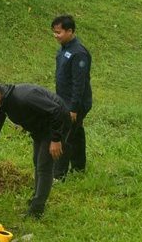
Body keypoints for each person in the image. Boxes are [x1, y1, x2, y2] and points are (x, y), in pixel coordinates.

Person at [0, 79, 71, 219]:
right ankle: (36, 199)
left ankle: (37, 210)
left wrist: (56, 139)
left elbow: (56, 111)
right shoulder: (1, 104)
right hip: (40, 127)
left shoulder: (24, 97)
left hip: (57, 124)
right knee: (37, 162)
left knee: (44, 166)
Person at [51, 14, 92, 179]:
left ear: (70, 31)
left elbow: (79, 83)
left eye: (59, 32)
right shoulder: (64, 48)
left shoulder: (78, 53)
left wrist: (73, 108)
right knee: (76, 133)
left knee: (65, 136)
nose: (56, 35)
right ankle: (79, 167)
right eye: (54, 32)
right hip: (64, 101)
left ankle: (58, 175)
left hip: (75, 104)